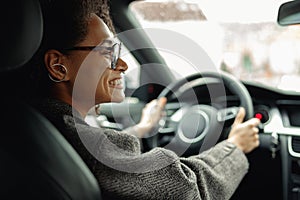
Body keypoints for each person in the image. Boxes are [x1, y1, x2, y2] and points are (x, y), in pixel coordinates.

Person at [25, 0, 260, 199]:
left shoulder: (37, 123)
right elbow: (187, 188)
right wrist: (234, 147)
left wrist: (142, 128)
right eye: (109, 53)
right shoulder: (80, 140)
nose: (124, 65)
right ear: (58, 66)